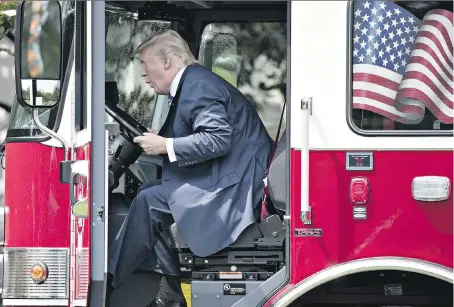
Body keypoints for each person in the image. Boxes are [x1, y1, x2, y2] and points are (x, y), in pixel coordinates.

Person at [107, 29, 272, 307]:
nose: (144, 75)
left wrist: (165, 145)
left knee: (148, 201)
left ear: (168, 60)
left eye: (146, 64)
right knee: (153, 193)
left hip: (234, 186)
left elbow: (217, 139)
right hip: (232, 174)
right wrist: (162, 138)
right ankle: (170, 291)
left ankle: (108, 280)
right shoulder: (194, 82)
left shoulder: (198, 86)